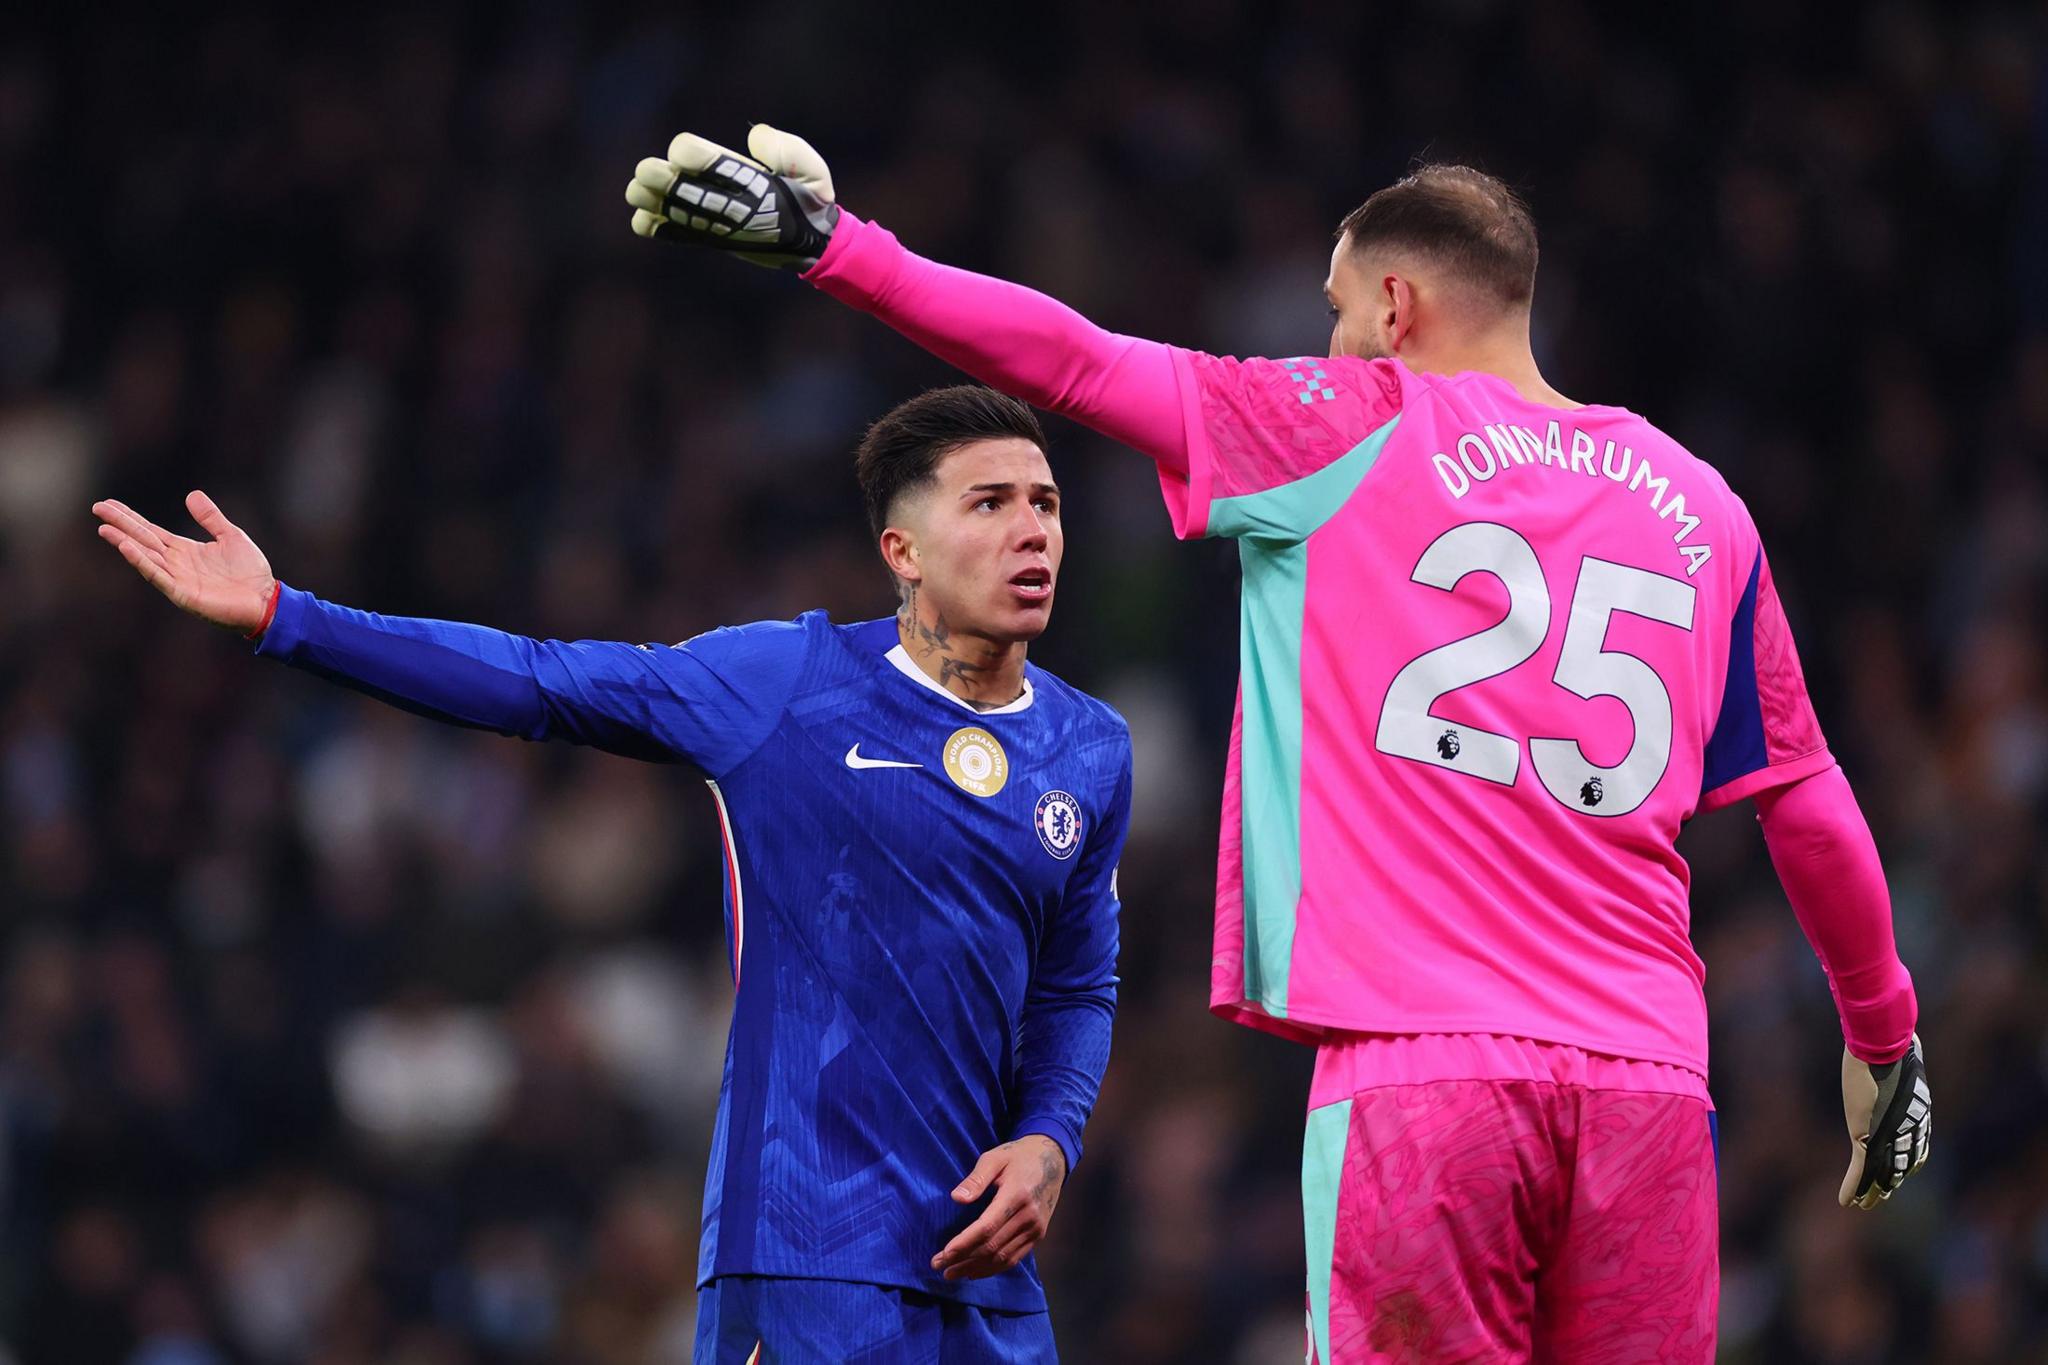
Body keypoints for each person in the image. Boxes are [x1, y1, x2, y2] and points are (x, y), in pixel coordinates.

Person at [625, 129, 1930, 1362]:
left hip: (1429, 1075)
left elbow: (1070, 362)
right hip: (1650, 1081)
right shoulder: (1703, 510)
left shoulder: (1349, 422)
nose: (1333, 337)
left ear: (1399, 306)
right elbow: (1803, 797)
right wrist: (1882, 1040)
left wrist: (840, 248)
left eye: (1339, 307)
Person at [92, 385, 1131, 1365]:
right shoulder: (788, 686)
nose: (1030, 528)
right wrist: (288, 615)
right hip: (810, 1255)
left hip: (990, 1280)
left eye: (1043, 503)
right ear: (900, 549)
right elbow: (540, 681)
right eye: (988, 503)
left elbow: (1076, 986)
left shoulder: (1090, 750)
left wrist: (1047, 1140)